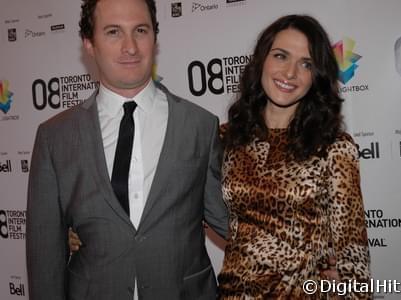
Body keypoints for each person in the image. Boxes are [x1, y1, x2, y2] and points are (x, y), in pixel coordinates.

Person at [25, 0, 228, 299]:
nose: (130, 47)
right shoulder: (54, 137)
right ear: (89, 43)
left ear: (155, 38)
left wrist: (314, 253)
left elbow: (234, 223)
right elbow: (45, 259)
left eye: (140, 30)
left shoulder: (200, 125)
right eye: (113, 32)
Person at [217, 15, 371, 299]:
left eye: (306, 64)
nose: (290, 73)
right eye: (280, 56)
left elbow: (353, 253)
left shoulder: (334, 147)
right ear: (261, 60)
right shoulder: (228, 138)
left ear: (317, 76)